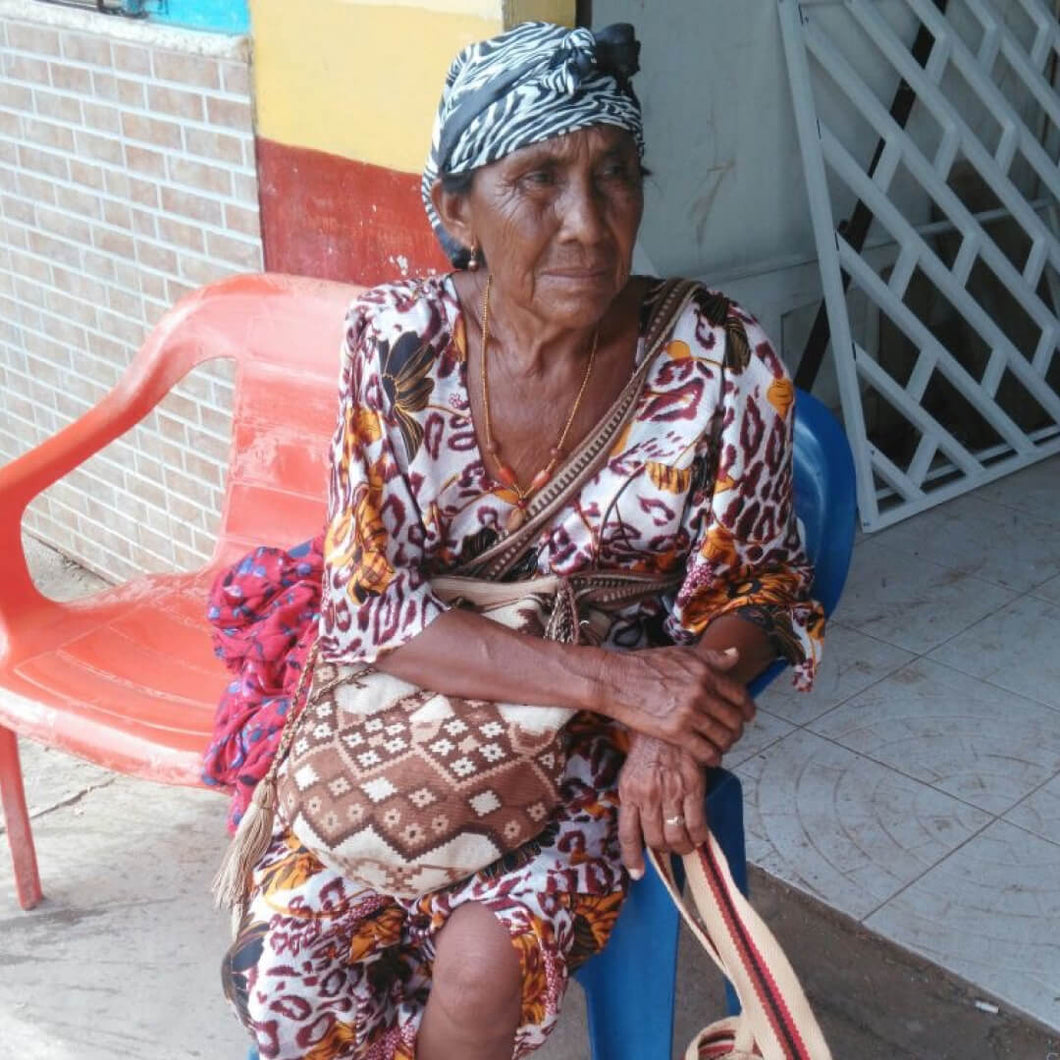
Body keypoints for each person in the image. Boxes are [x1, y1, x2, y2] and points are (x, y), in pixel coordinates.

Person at [215, 20, 823, 1060]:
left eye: (614, 175)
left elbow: (760, 586)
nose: (586, 222)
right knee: (288, 977)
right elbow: (370, 609)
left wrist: (670, 719)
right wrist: (615, 681)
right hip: (406, 705)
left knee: (479, 963)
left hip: (591, 747)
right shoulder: (395, 343)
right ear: (456, 210)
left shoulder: (719, 353)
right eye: (537, 179)